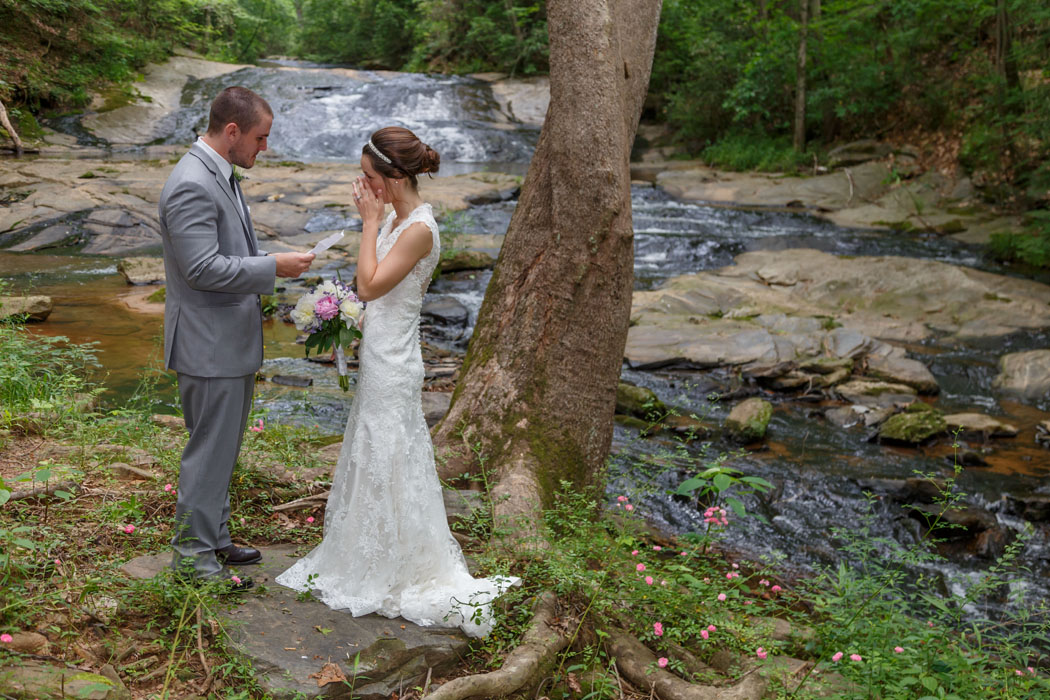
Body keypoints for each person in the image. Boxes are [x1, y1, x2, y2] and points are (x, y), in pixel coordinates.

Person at [276, 127, 517, 637]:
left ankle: (396, 566)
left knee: (389, 449)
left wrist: (369, 224)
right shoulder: (397, 217)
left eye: (369, 177)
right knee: (374, 449)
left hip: (394, 363)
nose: (363, 187)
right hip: (380, 352)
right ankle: (366, 549)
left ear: (395, 176)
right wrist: (345, 315)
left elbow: (368, 284)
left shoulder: (418, 229)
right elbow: (371, 296)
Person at [159, 86, 314, 588]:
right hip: (208, 345)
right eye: (260, 138)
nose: (263, 148)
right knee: (207, 452)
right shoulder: (191, 183)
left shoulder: (219, 174)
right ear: (232, 132)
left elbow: (224, 249)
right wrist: (273, 266)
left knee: (222, 448)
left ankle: (216, 537)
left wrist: (269, 260)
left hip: (226, 341)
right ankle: (195, 561)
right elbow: (201, 269)